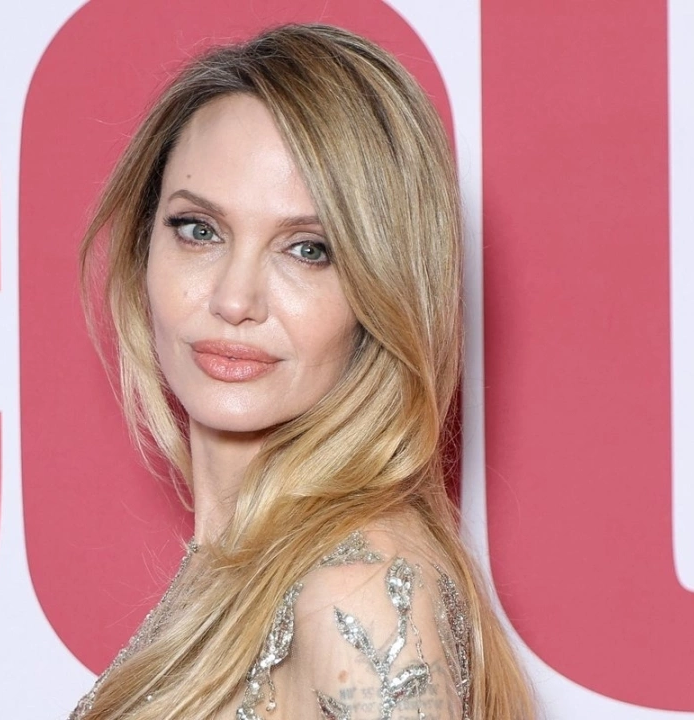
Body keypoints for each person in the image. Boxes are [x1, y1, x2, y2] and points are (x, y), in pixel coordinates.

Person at [69, 23, 536, 720]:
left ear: (382, 289)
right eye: (199, 230)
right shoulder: (244, 559)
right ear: (143, 248)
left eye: (308, 249)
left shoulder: (360, 590)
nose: (234, 300)